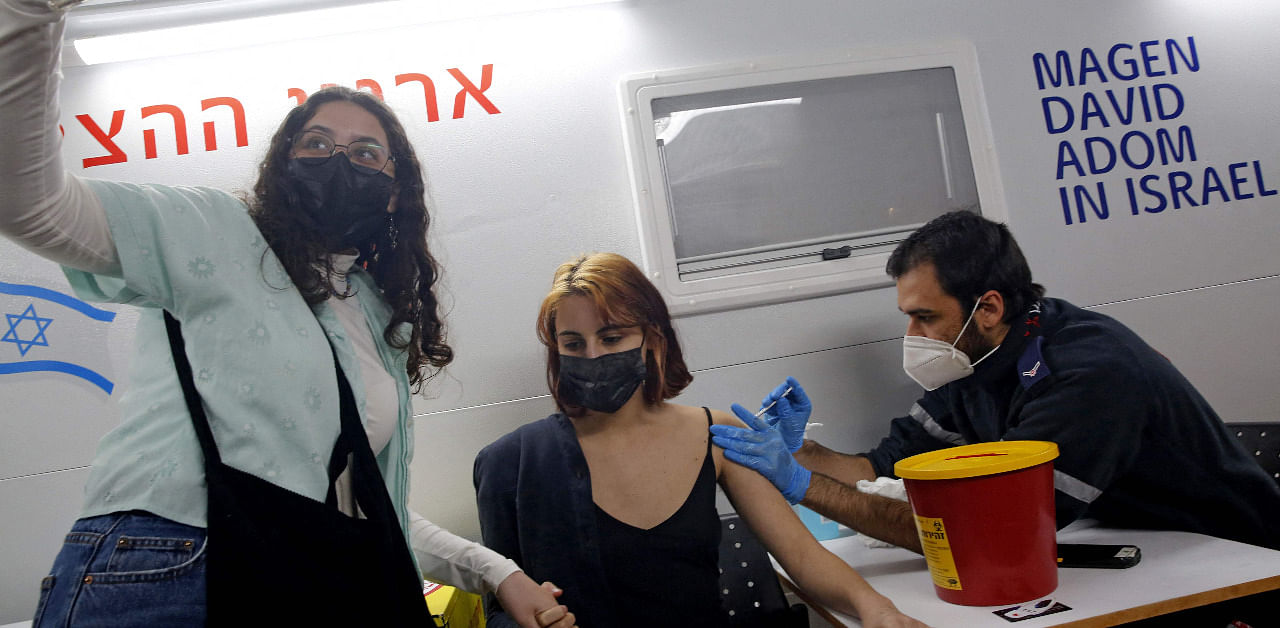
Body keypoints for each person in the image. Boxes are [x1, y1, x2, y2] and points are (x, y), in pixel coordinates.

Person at [1, 3, 573, 626]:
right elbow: (32, 204)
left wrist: (498, 572)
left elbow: (361, 505)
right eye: (317, 143)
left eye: (365, 153)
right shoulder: (215, 229)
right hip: (162, 563)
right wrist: (28, 12)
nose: (338, 159)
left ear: (396, 192)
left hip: (288, 576)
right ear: (284, 160)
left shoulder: (372, 312)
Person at [711, 210, 1280, 553]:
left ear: (987, 307)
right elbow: (881, 467)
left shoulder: (1088, 373)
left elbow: (992, 532)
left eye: (926, 317)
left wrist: (802, 486)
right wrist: (800, 452)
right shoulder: (973, 358)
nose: (913, 334)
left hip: (1235, 560)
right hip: (1138, 546)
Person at [474, 252, 927, 628]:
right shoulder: (512, 463)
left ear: (652, 341)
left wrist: (878, 610)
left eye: (611, 337)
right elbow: (500, 604)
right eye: (573, 344)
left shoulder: (717, 434)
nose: (593, 355)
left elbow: (804, 559)